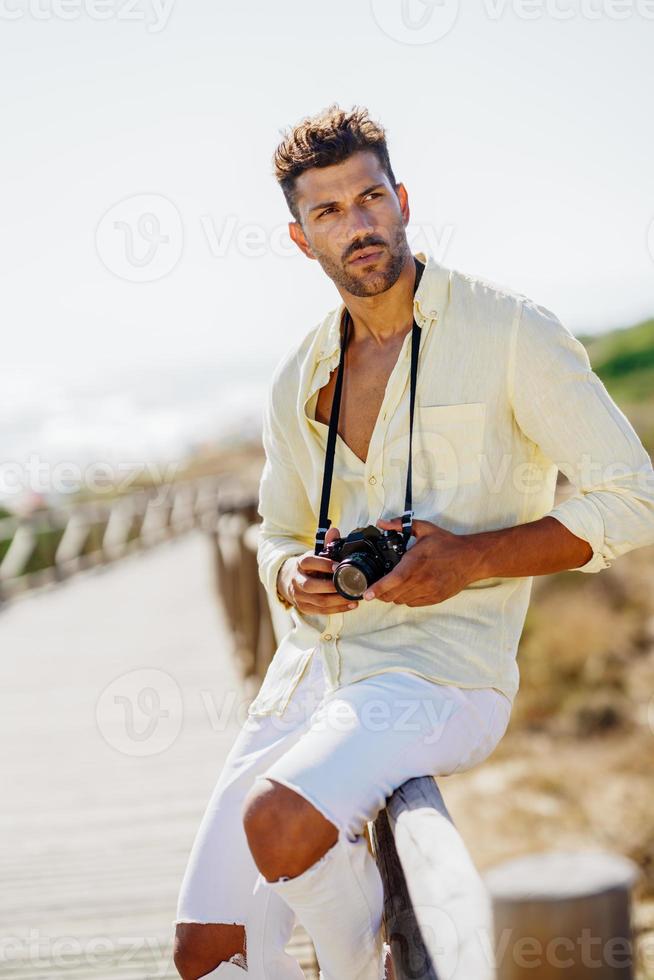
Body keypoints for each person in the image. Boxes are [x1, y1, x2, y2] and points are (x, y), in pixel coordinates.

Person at [172, 104, 654, 980]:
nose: (356, 225)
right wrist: (293, 577)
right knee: (203, 954)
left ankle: (366, 959)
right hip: (310, 670)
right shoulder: (300, 374)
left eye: (369, 198)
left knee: (278, 820)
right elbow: (274, 534)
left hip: (441, 670)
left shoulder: (511, 332)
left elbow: (632, 500)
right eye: (328, 212)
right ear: (299, 237)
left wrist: (470, 558)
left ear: (402, 197)